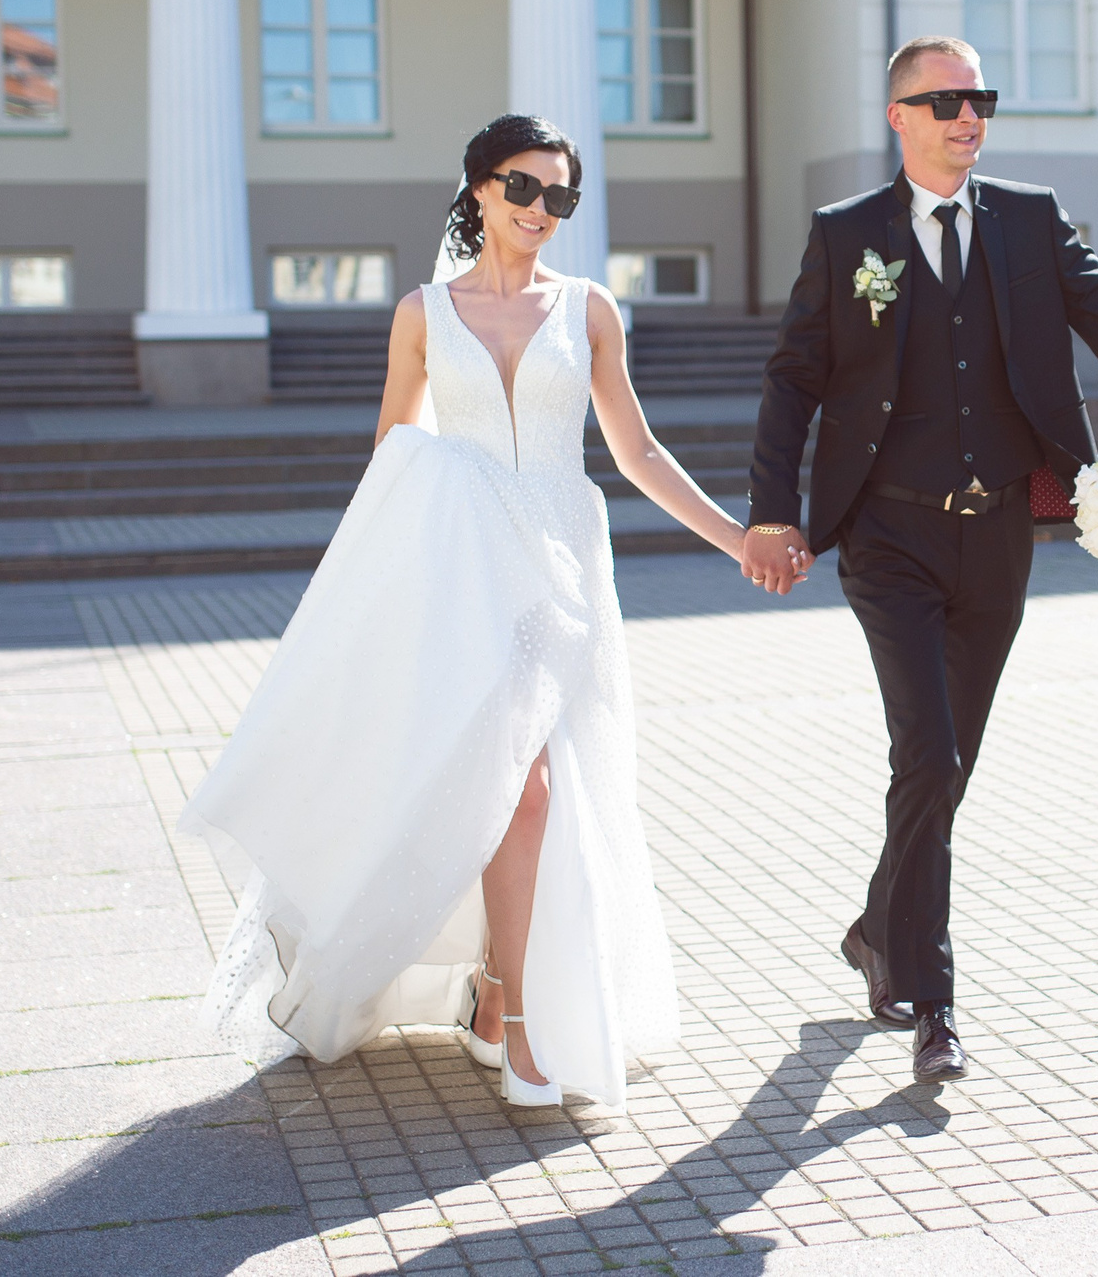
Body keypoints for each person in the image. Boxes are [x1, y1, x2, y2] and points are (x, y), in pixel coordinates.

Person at [184, 113, 761, 1109]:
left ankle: (504, 1001)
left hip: (558, 574)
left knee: (543, 789)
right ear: (480, 189)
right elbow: (392, 456)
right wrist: (374, 600)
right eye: (522, 187)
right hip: (460, 579)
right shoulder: (422, 314)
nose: (541, 208)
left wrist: (738, 538)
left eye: (560, 194)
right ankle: (512, 1014)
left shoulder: (589, 310)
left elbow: (636, 452)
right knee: (505, 788)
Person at [740, 36, 1098, 1086]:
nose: (967, 116)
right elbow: (792, 381)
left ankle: (876, 928)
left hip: (996, 535)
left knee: (946, 767)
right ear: (898, 115)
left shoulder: (1031, 222)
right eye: (944, 100)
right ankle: (933, 1001)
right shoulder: (846, 234)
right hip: (886, 536)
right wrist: (770, 512)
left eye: (979, 98)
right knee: (929, 753)